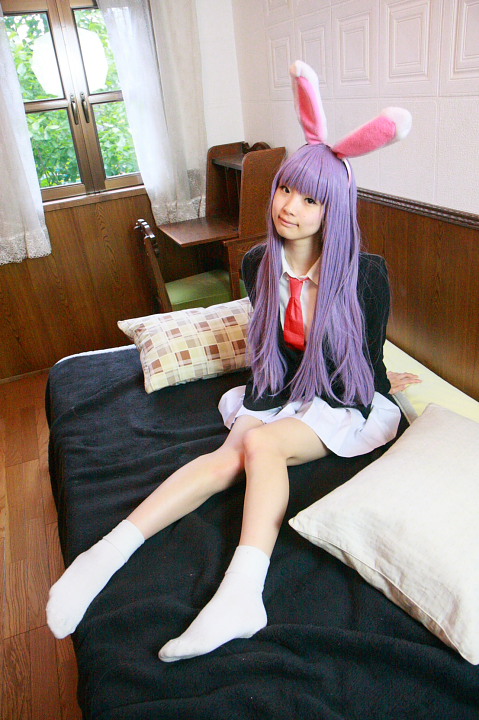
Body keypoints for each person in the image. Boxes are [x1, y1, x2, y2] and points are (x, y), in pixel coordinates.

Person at [46, 61, 418, 662]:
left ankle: (243, 595)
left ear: (335, 209)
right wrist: (267, 402)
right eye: (285, 190)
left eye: (310, 199)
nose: (289, 206)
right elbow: (274, 353)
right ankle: (103, 557)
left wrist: (384, 387)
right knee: (226, 457)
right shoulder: (258, 265)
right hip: (283, 390)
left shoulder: (365, 276)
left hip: (341, 401)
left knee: (262, 446)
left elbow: (365, 358)